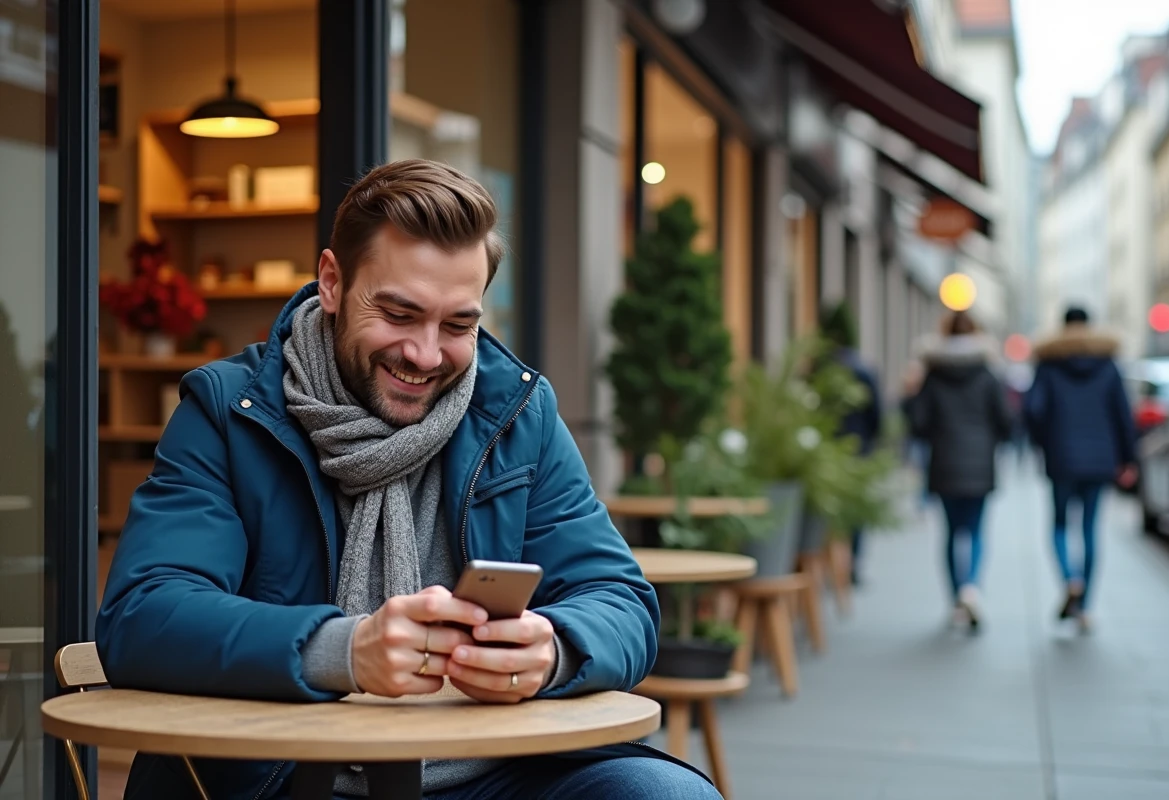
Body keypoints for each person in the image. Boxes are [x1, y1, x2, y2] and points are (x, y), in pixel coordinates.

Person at [96, 160, 718, 800]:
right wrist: (343, 650)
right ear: (333, 282)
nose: (425, 355)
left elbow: (620, 601)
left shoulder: (518, 414)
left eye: (458, 326)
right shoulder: (228, 412)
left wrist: (553, 648)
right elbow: (142, 614)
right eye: (398, 314)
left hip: (495, 770)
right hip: (287, 777)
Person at [1023, 307, 1137, 632]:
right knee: (1089, 529)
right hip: (1101, 459)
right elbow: (1123, 415)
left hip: (1061, 457)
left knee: (1059, 525)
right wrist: (1128, 459)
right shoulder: (1108, 365)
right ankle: (1085, 606)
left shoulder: (1048, 365)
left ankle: (1070, 580)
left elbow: (1033, 410)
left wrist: (1044, 442)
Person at [903, 312, 1012, 631]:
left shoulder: (933, 375)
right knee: (976, 530)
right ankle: (971, 588)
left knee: (952, 533)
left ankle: (955, 599)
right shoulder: (988, 374)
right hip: (979, 462)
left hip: (944, 461)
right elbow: (1006, 421)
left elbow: (918, 424)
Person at [817, 302, 882, 585]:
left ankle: (830, 564)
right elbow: (876, 412)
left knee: (829, 510)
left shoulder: (818, 368)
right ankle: (852, 562)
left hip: (825, 448)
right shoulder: (862, 368)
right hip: (858, 448)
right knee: (855, 512)